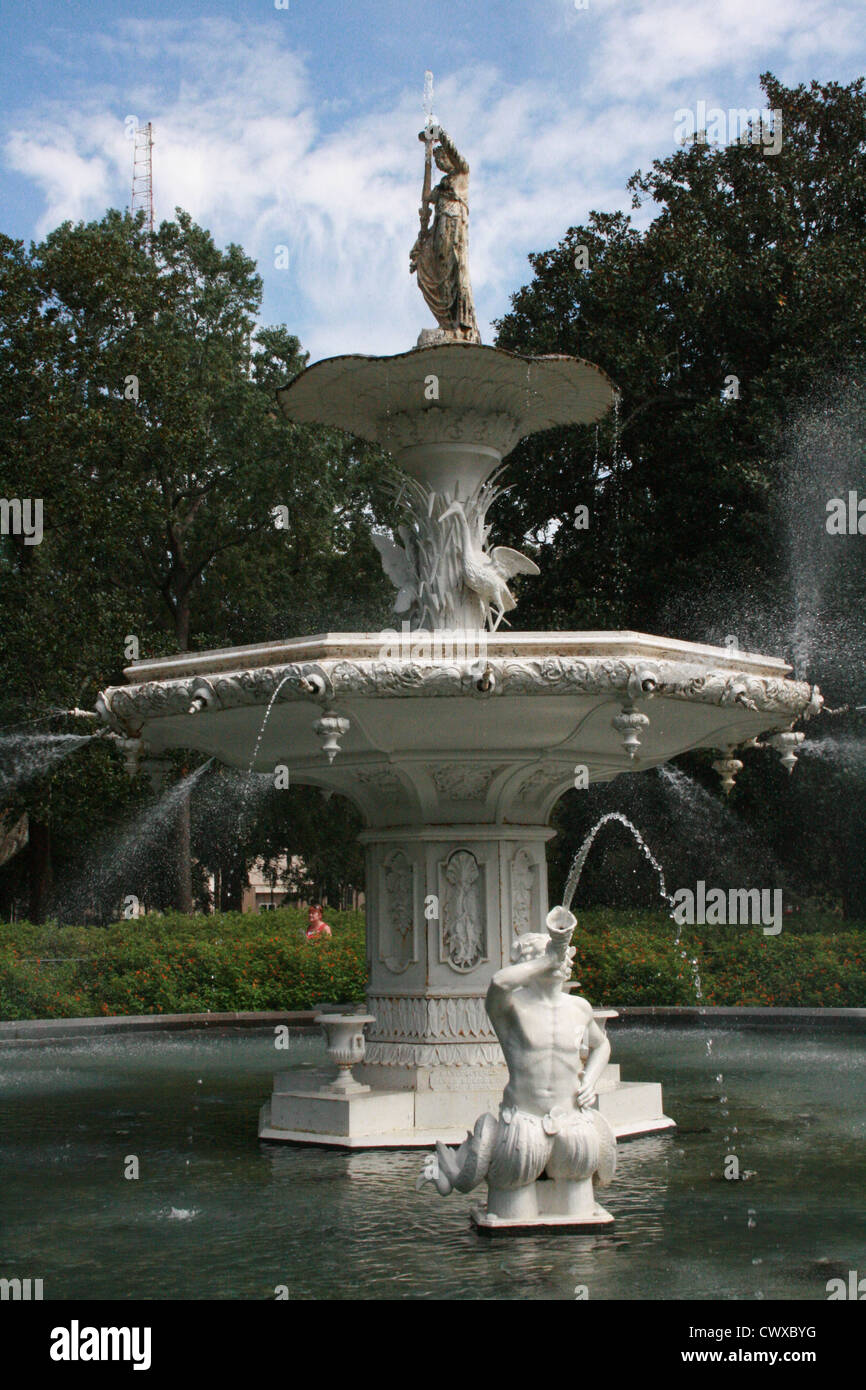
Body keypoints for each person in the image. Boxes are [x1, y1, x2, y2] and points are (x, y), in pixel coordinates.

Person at [418, 907, 616, 1219]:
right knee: (514, 1230)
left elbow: (602, 1044)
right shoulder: (511, 1008)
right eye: (541, 955)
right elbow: (498, 982)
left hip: (573, 1125)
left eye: (556, 954)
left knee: (578, 1227)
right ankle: (449, 1170)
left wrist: (590, 1081)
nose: (554, 959)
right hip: (522, 1130)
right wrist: (547, 958)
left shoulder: (579, 1008)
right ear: (528, 965)